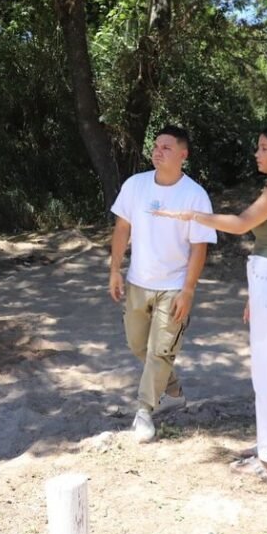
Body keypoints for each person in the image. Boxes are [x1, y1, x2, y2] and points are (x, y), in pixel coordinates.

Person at [152, 125, 267, 480]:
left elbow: (240, 224)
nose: (257, 153)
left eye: (264, 147)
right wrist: (255, 295)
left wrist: (194, 216)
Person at [109, 125, 217, 443]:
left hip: (174, 286)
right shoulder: (135, 185)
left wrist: (189, 290)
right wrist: (115, 269)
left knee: (159, 351)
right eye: (156, 145)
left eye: (167, 147)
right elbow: (121, 228)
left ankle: (144, 410)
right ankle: (173, 391)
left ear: (183, 155)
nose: (158, 151)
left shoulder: (195, 195)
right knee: (137, 345)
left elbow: (200, 246)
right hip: (138, 282)